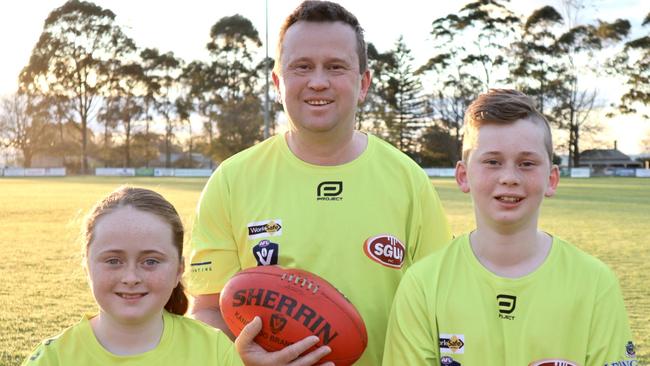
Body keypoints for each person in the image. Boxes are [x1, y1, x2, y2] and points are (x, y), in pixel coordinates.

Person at [186, 1, 452, 365]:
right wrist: (245, 359)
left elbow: (440, 309)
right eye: (302, 67)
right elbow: (208, 311)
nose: (318, 81)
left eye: (336, 67)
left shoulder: (409, 181)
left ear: (364, 84)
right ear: (278, 82)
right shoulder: (231, 181)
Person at [382, 89, 637, 366]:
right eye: (492, 162)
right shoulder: (423, 284)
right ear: (463, 176)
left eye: (527, 164)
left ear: (551, 179)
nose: (509, 178)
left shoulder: (595, 283)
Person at [22, 187, 242, 365]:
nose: (130, 277)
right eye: (113, 261)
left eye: (150, 261)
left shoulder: (214, 350)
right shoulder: (52, 359)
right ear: (86, 265)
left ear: (179, 270)